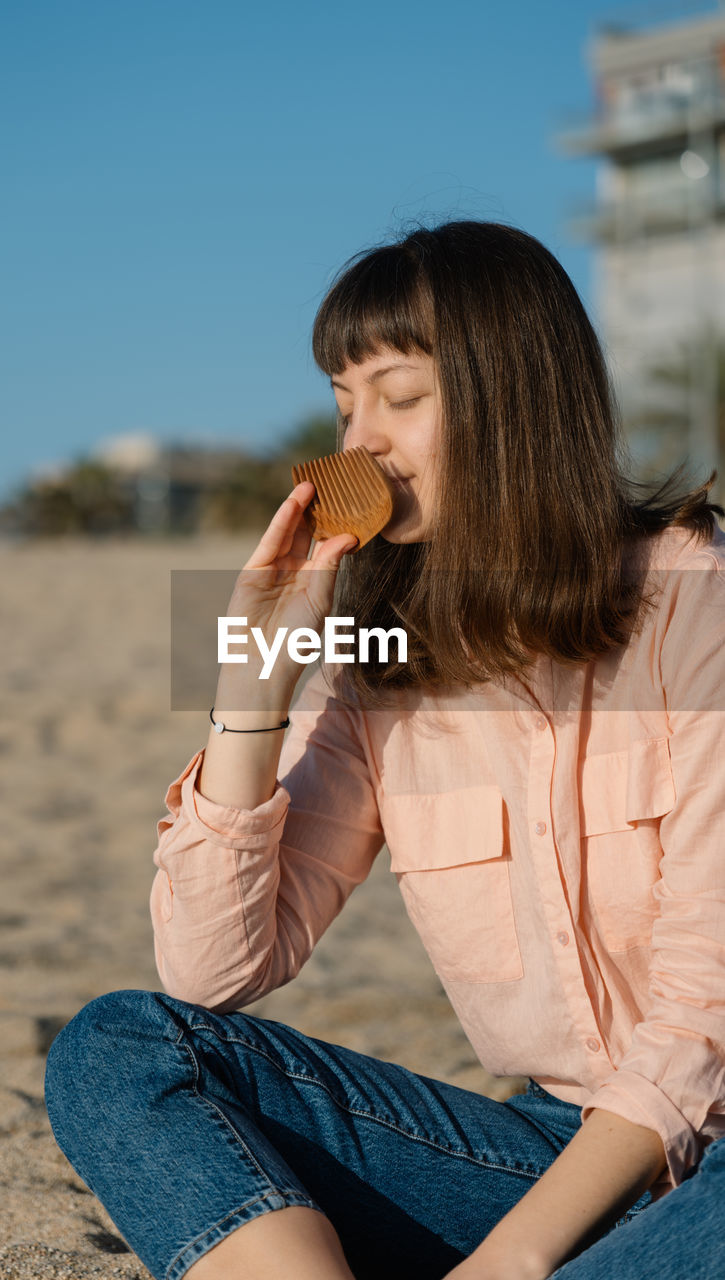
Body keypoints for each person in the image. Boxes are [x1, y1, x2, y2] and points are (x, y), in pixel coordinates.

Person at [44, 221, 725, 1280]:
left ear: (514, 396)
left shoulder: (696, 599)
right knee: (122, 1047)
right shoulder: (381, 664)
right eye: (341, 404)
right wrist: (253, 679)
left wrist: (506, 1261)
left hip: (701, 1158)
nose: (357, 442)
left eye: (400, 398)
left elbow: (704, 1013)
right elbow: (214, 970)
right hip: (548, 1151)